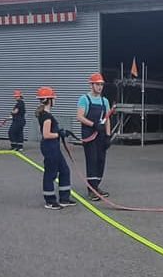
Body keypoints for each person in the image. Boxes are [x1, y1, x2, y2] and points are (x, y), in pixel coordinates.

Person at [35, 86, 77, 210]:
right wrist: (59, 134)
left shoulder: (46, 114)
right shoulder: (46, 116)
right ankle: (50, 201)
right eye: (53, 98)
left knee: (64, 170)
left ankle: (64, 198)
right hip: (50, 146)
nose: (55, 100)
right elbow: (46, 134)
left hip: (53, 146)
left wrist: (59, 131)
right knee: (51, 173)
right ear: (49, 100)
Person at [76, 73, 111, 201]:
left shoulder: (104, 101)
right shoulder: (84, 99)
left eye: (101, 84)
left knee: (101, 160)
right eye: (97, 84)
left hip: (101, 135)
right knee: (92, 160)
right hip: (89, 134)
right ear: (91, 85)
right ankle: (91, 190)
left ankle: (96, 186)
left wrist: (108, 135)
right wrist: (93, 124)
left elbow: (107, 119)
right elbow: (79, 116)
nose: (100, 87)